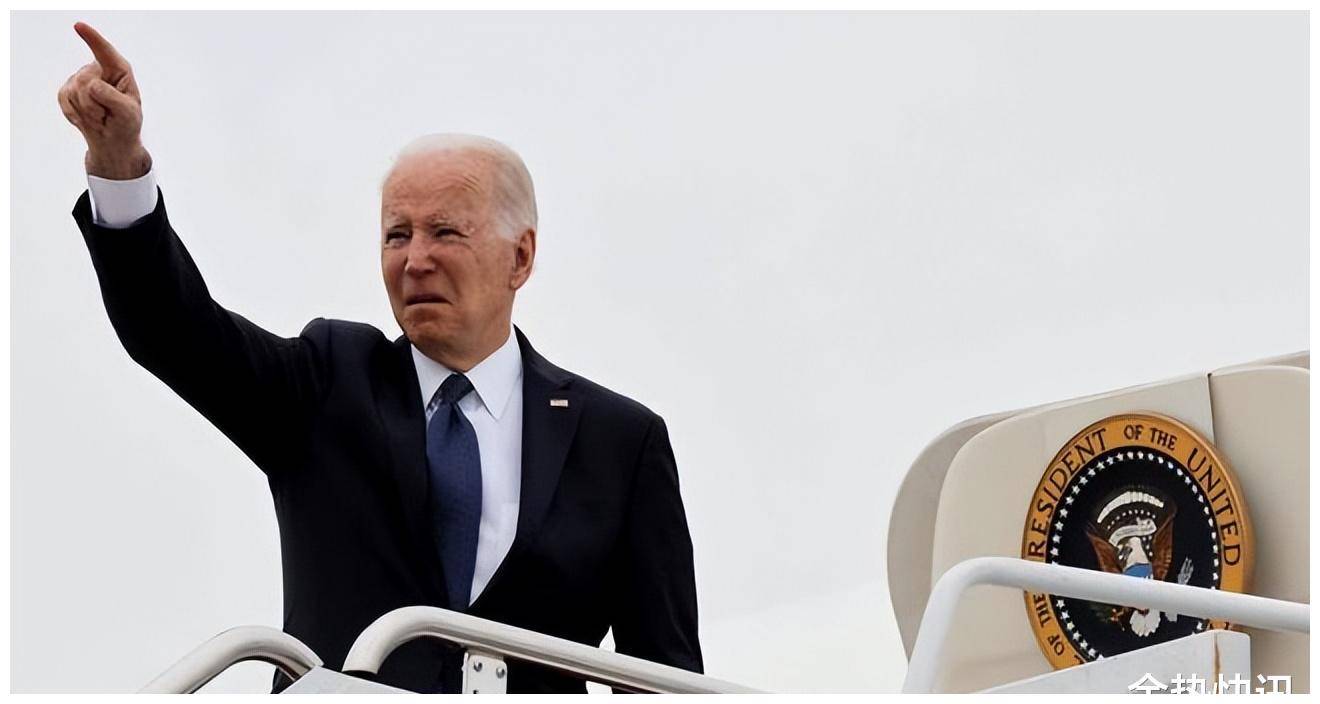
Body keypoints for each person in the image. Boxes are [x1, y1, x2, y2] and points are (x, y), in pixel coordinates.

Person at [59, 22, 702, 693]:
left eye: (445, 232)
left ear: (521, 257)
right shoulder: (328, 380)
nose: (415, 260)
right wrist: (119, 163)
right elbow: (173, 330)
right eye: (397, 234)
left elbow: (666, 677)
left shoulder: (620, 442)